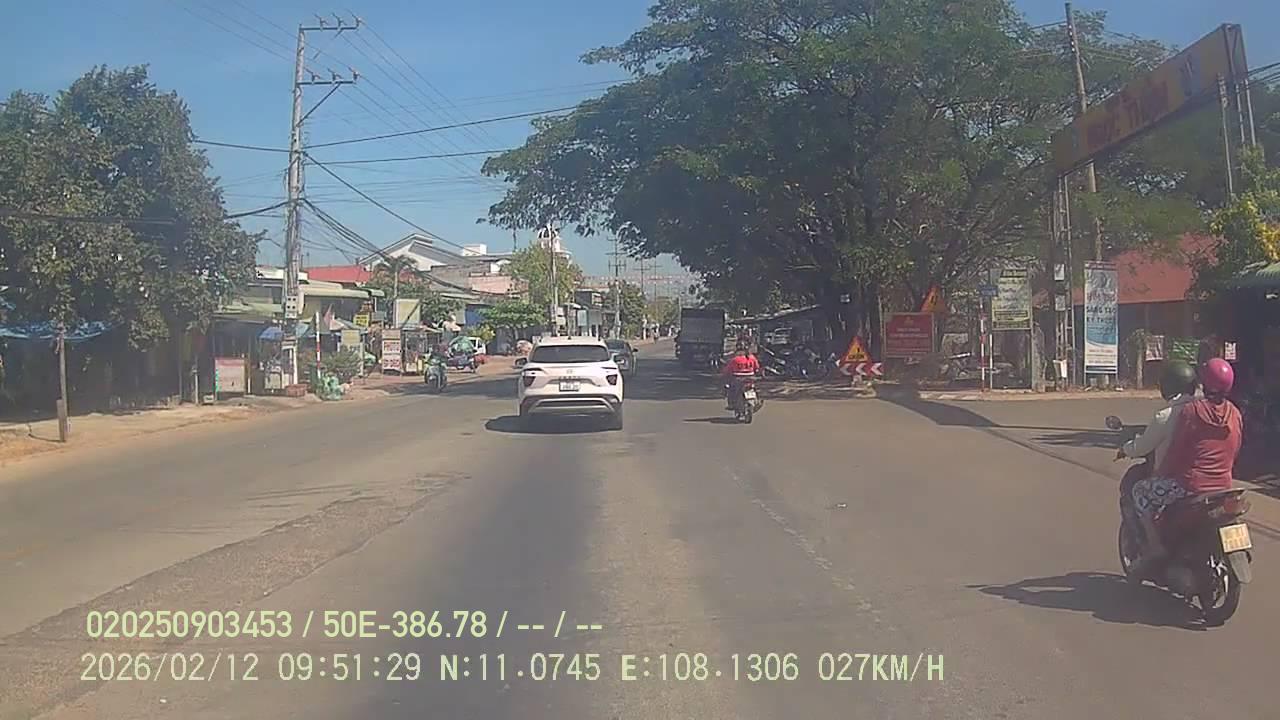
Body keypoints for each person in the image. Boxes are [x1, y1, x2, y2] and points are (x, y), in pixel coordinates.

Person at [1129, 358, 1243, 571]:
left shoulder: (1192, 411)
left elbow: (1177, 450)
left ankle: (1155, 547)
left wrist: (1161, 474)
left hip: (1191, 485)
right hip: (1224, 486)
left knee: (1139, 491)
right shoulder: (1235, 413)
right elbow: (1235, 449)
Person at [721, 341, 760, 408]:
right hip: (751, 378)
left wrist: (725, 375)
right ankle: (756, 401)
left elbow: (727, 371)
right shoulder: (752, 358)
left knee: (730, 389)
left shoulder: (734, 360)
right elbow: (757, 368)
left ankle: (731, 403)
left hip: (738, 379)